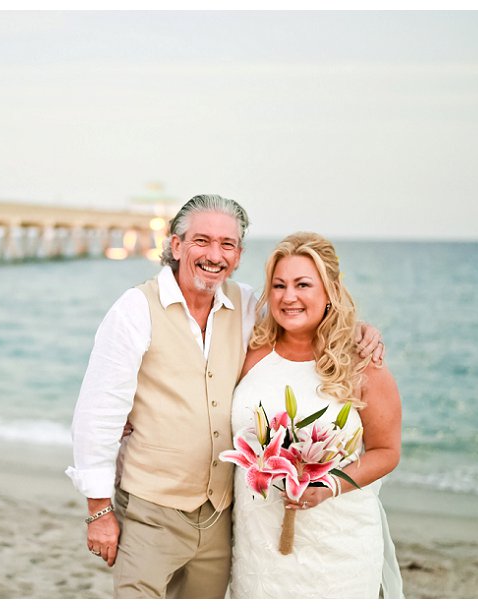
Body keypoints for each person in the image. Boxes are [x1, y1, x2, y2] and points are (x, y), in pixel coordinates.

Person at [64, 195, 384, 598]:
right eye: (202, 241)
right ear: (176, 246)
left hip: (220, 516)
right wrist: (99, 511)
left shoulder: (247, 305)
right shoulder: (135, 309)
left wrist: (357, 331)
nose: (214, 255)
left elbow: (302, 321)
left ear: (238, 256)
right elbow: (99, 413)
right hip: (151, 510)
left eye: (227, 245)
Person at [227, 232, 403, 598]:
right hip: (257, 542)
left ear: (331, 291)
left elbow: (386, 452)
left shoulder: (362, 363)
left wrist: (328, 485)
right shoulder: (251, 354)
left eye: (302, 284)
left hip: (338, 547)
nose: (288, 297)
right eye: (278, 285)